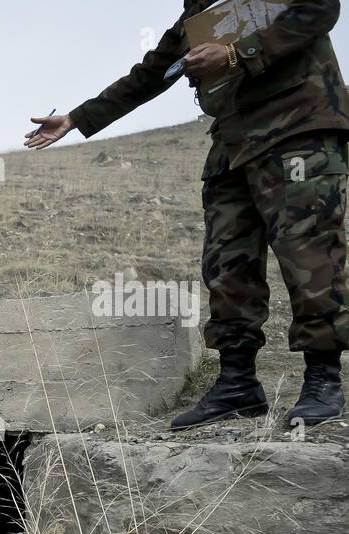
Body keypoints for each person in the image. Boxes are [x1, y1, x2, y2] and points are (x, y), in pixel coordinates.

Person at [26, 0, 349, 429]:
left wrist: (236, 54)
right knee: (226, 265)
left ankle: (323, 381)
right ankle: (237, 384)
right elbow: (150, 75)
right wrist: (77, 118)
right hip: (232, 144)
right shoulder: (197, 15)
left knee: (310, 256)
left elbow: (320, 8)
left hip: (299, 128)